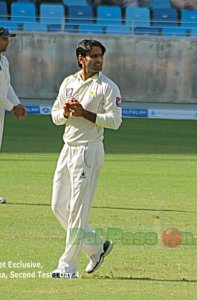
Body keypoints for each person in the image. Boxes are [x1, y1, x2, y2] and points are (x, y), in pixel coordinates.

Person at [51, 39, 122, 278]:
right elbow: (54, 115)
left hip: (89, 151)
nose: (99, 60)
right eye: (94, 56)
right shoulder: (68, 83)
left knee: (77, 212)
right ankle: (96, 247)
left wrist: (85, 114)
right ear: (81, 59)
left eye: (101, 56)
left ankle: (67, 266)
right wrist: (66, 112)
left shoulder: (107, 87)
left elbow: (115, 121)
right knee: (58, 206)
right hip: (67, 148)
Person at [0, 27, 27, 205]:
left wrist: (16, 103)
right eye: (3, 38)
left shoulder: (4, 60)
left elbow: (6, 86)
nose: (7, 41)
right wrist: (11, 107)